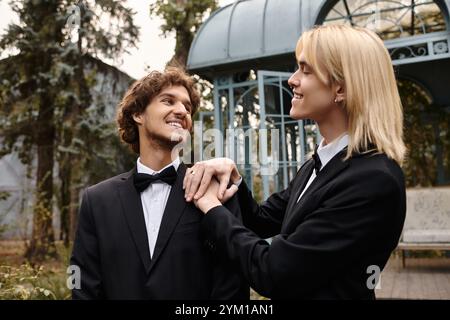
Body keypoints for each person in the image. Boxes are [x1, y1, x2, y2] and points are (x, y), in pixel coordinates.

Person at [183, 25, 407, 299]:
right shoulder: (319, 164)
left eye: (306, 70)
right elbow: (262, 221)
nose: (292, 79)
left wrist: (210, 207)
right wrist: (233, 177)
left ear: (341, 88)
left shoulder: (373, 180)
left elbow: (274, 272)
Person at [70, 68, 249, 299]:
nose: (182, 111)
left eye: (187, 107)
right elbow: (80, 282)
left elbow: (233, 286)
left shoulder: (215, 191)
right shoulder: (97, 200)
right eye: (168, 101)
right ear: (138, 114)